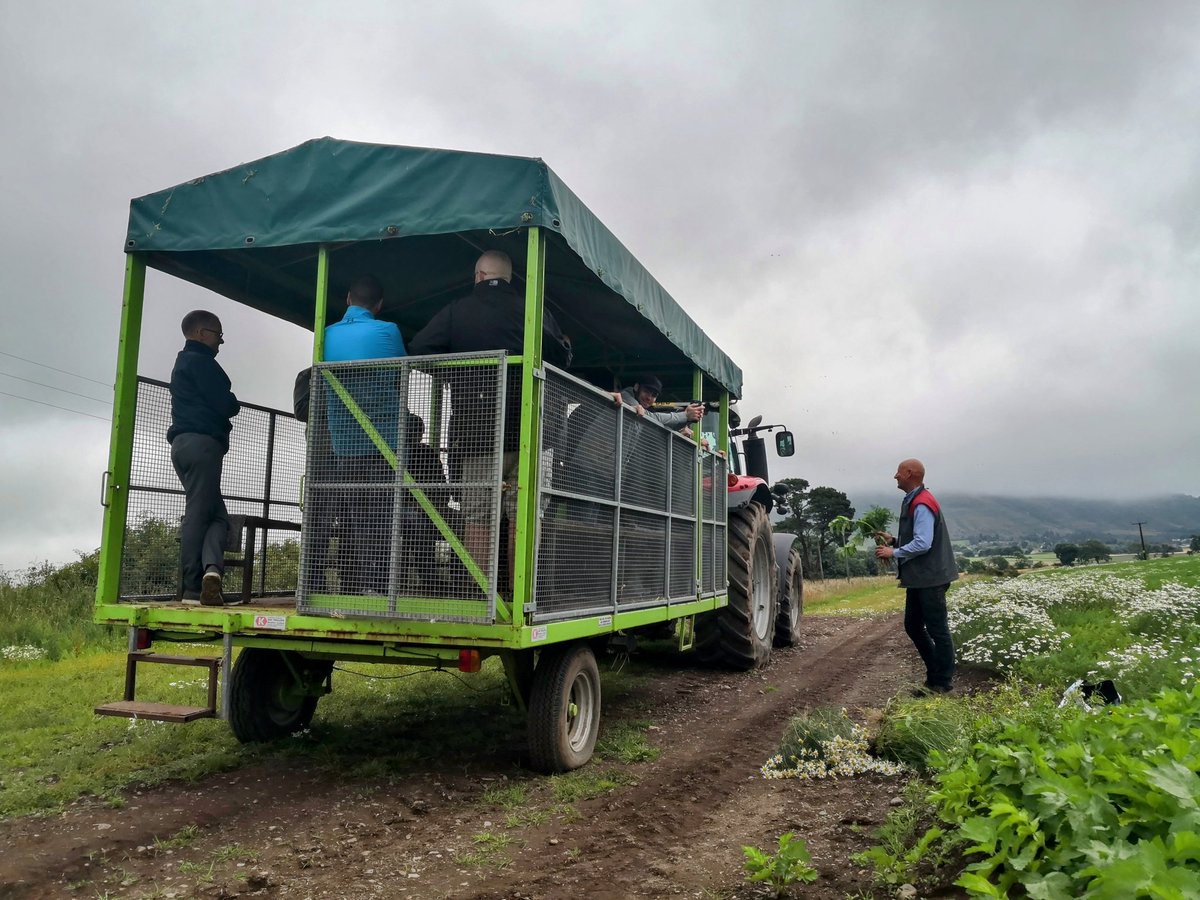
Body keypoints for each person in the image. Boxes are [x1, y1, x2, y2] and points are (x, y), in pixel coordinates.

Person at [407, 250, 573, 589]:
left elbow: (419, 348)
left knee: (479, 517)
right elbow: (563, 356)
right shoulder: (533, 310)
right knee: (523, 517)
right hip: (531, 432)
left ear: (479, 275)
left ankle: (480, 595)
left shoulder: (457, 311)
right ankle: (517, 596)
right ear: (509, 277)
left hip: (478, 432)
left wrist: (457, 368)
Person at [322, 274, 406, 593]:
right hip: (385, 440)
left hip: (343, 441)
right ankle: (380, 586)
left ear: (347, 299)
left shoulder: (327, 334)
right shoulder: (388, 331)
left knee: (352, 518)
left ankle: (350, 584)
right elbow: (401, 371)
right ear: (379, 305)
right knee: (383, 518)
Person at [167, 310, 240, 606]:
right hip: (203, 445)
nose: (221, 342)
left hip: (182, 444)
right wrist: (232, 402)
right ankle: (193, 588)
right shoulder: (202, 363)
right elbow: (226, 404)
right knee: (198, 513)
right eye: (218, 334)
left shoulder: (181, 363)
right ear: (200, 333)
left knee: (217, 517)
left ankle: (212, 572)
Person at [875, 458, 959, 695]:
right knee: (913, 626)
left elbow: (923, 543)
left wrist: (893, 551)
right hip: (921, 578)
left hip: (930, 578)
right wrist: (894, 540)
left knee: (938, 630)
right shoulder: (915, 500)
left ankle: (941, 682)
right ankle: (935, 676)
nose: (895, 476)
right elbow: (919, 538)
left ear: (910, 473)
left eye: (899, 472)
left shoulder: (921, 503)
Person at [611, 375, 703, 429]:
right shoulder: (625, 396)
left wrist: (688, 420)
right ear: (636, 387)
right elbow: (652, 417)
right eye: (646, 391)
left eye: (654, 395)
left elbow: (662, 425)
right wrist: (685, 415)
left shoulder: (644, 407)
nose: (649, 398)